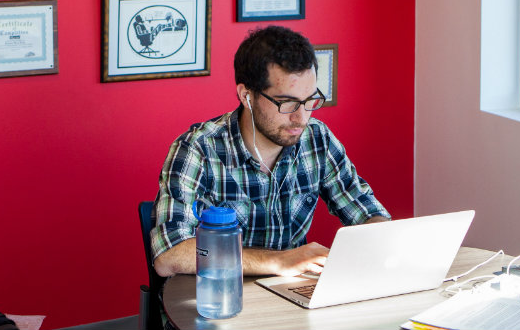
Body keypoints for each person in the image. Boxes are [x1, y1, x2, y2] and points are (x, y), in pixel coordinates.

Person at [150, 26, 390, 278]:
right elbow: (170, 255)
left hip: (290, 298)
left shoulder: (317, 139)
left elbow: (367, 213)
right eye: (287, 103)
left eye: (309, 101)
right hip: (216, 298)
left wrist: (380, 237)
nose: (301, 118)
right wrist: (278, 262)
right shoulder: (198, 148)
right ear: (247, 96)